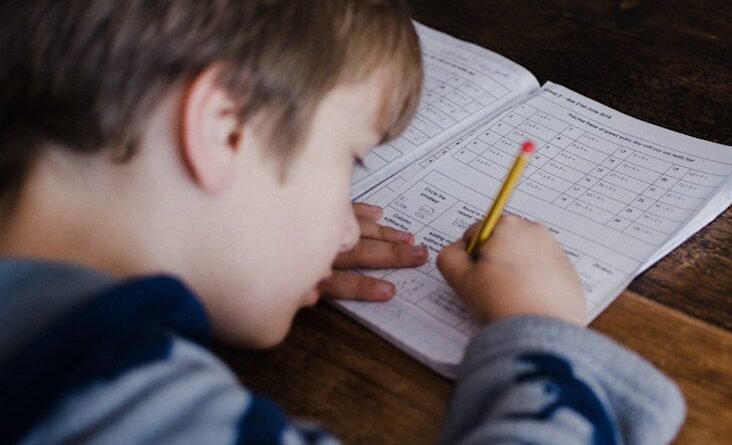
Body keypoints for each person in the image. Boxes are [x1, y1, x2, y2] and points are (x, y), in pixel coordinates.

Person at [0, 1, 686, 444]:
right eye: (349, 160)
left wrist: (241, 250)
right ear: (227, 128)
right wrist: (541, 335)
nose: (349, 230)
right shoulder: (106, 396)